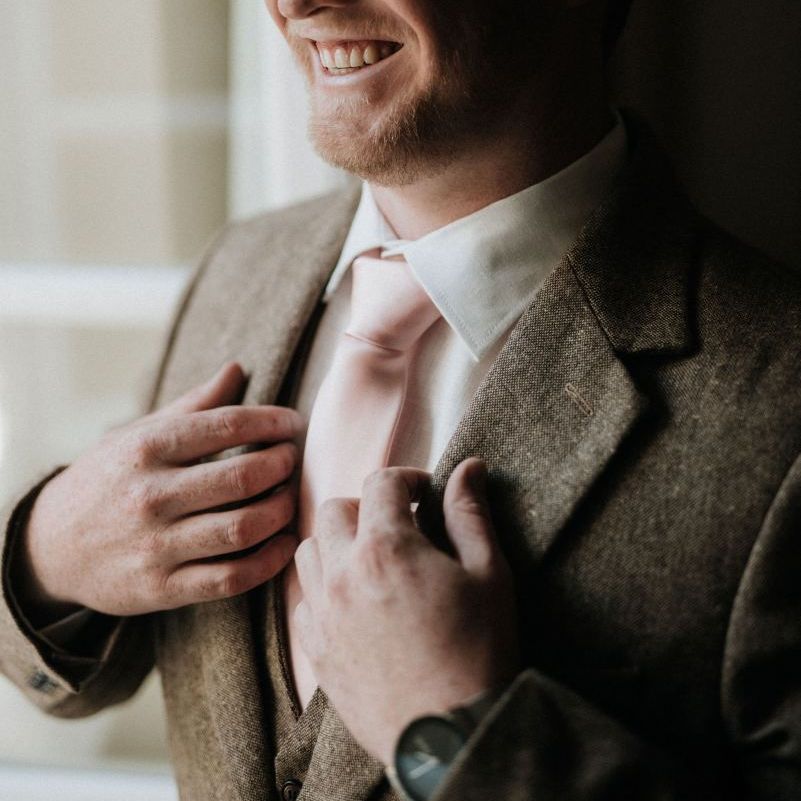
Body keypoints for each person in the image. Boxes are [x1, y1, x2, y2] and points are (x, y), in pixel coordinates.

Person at [1, 0, 800, 798]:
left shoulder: (780, 399)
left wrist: (454, 734)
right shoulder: (239, 267)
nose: (293, 6)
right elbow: (90, 663)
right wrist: (45, 555)